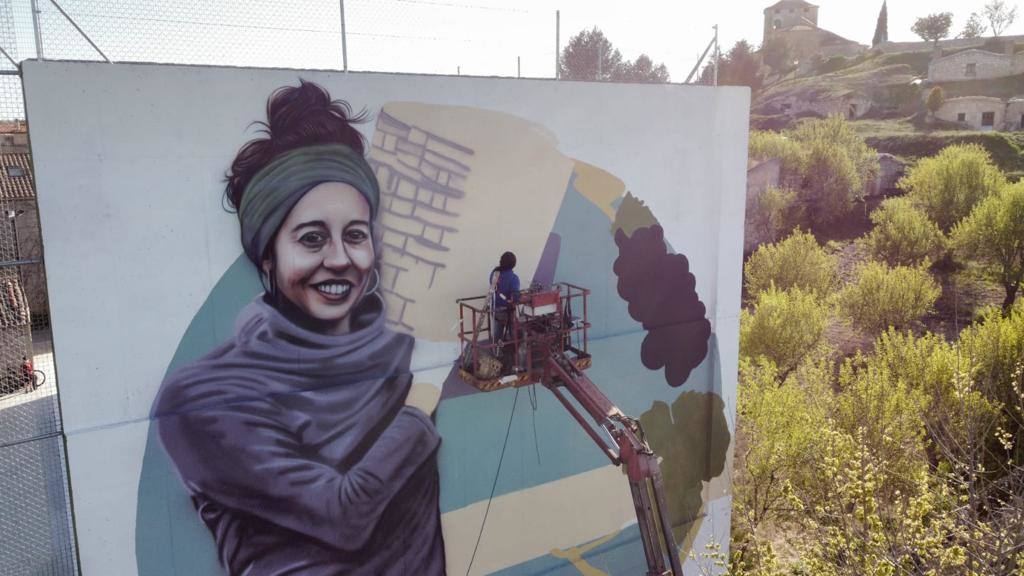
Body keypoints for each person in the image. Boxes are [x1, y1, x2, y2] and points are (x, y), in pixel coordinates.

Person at [151, 81, 445, 576]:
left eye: (355, 236)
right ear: (267, 254)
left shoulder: (398, 349)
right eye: (311, 239)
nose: (339, 259)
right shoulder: (205, 398)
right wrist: (425, 395)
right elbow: (342, 514)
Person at [490, 251, 520, 367]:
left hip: (495, 309)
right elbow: (516, 296)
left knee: (497, 333)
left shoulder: (494, 274)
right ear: (513, 264)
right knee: (513, 333)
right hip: (507, 311)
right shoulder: (513, 278)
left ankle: (497, 354)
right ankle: (514, 357)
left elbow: (493, 287)